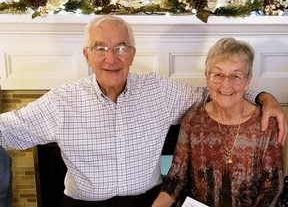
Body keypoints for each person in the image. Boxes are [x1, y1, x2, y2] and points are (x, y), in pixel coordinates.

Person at [0, 16, 286, 207]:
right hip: (84, 204)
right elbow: (8, 130)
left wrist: (263, 97)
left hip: (147, 200)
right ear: (87, 56)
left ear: (133, 53)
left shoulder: (158, 91)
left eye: (121, 47)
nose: (111, 58)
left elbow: (217, 92)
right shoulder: (61, 101)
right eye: (100, 48)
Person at [152, 38, 284, 207]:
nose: (226, 84)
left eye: (236, 76)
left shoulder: (265, 123)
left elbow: (273, 187)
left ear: (248, 80)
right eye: (218, 75)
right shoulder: (193, 119)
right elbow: (176, 177)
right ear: (207, 77)